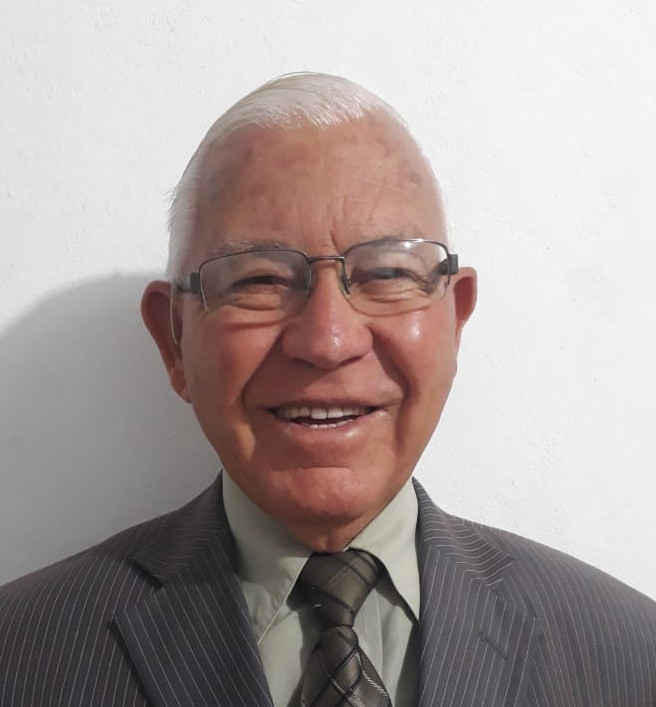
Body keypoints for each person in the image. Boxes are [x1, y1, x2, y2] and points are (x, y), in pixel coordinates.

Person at [0, 73, 654, 707]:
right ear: (174, 339)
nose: (328, 339)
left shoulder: (631, 655)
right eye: (258, 280)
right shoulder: (20, 656)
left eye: (387, 273)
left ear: (455, 321)